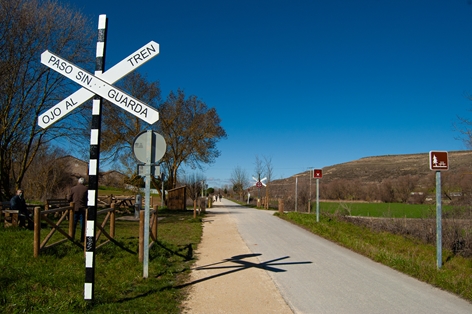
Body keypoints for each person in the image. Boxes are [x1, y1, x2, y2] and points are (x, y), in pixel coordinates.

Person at [68, 177, 88, 242]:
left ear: (78, 182)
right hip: (83, 208)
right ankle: (82, 238)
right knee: (83, 225)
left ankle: (72, 237)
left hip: (75, 208)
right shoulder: (86, 189)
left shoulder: (73, 188)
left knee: (73, 223)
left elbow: (69, 198)